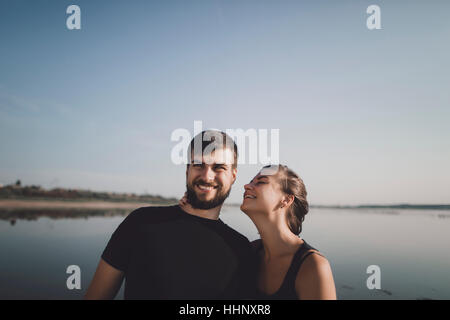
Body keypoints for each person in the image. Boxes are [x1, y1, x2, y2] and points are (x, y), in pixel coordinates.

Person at [84, 130, 258, 299]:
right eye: (198, 165)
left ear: (233, 176)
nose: (207, 176)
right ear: (187, 170)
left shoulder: (240, 248)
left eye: (219, 167)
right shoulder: (141, 223)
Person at [179, 164, 337, 300]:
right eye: (250, 182)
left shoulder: (312, 266)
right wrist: (197, 215)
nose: (247, 186)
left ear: (286, 200)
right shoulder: (249, 252)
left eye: (261, 182)